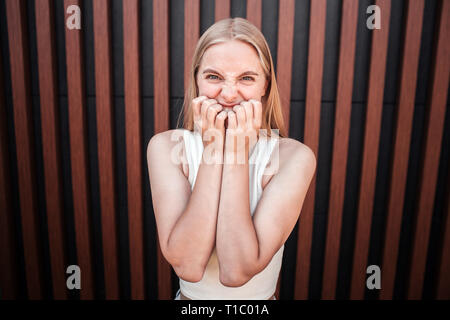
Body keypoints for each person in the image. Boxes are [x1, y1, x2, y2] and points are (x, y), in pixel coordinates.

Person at [147, 17, 316, 300]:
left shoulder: (293, 156)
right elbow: (188, 265)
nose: (228, 94)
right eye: (213, 77)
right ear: (196, 80)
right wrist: (214, 150)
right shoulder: (165, 148)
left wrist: (235, 151)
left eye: (246, 78)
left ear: (265, 85)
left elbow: (236, 271)